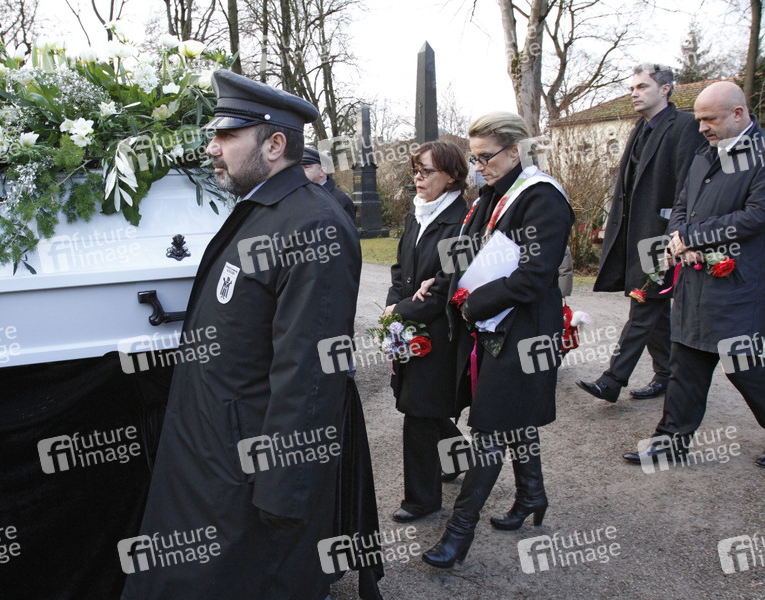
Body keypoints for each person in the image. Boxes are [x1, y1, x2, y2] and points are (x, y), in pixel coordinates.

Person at [121, 70, 376, 600]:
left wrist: (283, 494)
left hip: (248, 482)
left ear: (275, 145)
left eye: (227, 135)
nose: (212, 148)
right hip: (210, 459)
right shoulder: (264, 211)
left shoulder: (313, 226)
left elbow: (309, 374)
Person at [414, 112, 574, 568]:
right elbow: (469, 253)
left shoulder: (542, 197)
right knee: (512, 417)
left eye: (485, 157)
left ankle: (458, 535)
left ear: (516, 150)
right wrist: (440, 283)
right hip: (492, 324)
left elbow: (534, 276)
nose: (478, 166)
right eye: (475, 158)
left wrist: (473, 304)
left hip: (525, 330)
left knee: (489, 429)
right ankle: (532, 495)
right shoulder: (492, 193)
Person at [623, 81, 765, 469]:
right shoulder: (705, 154)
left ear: (738, 113)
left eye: (709, 119)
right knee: (685, 368)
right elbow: (682, 205)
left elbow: (756, 215)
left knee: (748, 372)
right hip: (694, 283)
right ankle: (669, 444)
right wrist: (679, 236)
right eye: (699, 119)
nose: (701, 127)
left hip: (737, 289)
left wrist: (694, 237)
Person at [577, 64, 705, 403]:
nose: (634, 93)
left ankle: (612, 380)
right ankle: (668, 375)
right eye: (632, 87)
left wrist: (676, 235)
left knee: (644, 303)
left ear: (665, 89)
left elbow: (687, 187)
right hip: (633, 236)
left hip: (662, 238)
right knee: (655, 310)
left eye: (642, 87)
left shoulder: (686, 126)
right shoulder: (640, 128)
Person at [382, 140, 470, 523]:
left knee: (418, 410)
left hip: (441, 334)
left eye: (427, 171)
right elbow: (400, 271)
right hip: (409, 326)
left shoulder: (462, 221)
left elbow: (448, 287)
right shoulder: (415, 214)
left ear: (451, 175)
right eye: (415, 170)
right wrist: (393, 307)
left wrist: (399, 312)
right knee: (423, 405)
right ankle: (460, 458)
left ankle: (422, 500)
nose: (418, 178)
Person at [300, 146, 358, 223]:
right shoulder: (299, 195)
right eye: (299, 168)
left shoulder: (341, 200)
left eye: (306, 167)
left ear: (322, 171)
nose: (300, 172)